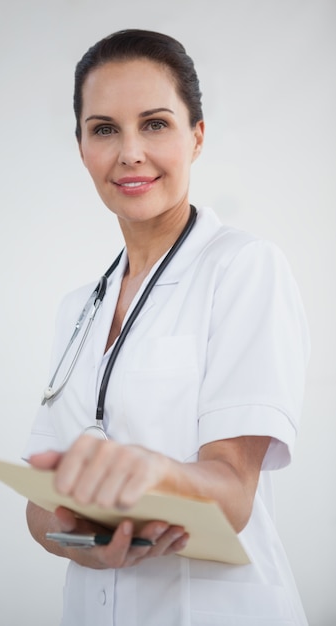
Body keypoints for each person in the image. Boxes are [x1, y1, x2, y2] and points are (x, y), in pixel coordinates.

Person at [23, 29, 310, 625]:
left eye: (154, 123)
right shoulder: (78, 310)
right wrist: (79, 535)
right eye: (104, 129)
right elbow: (39, 507)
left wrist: (152, 476)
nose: (130, 152)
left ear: (196, 136)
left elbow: (231, 493)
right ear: (81, 147)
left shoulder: (242, 268)